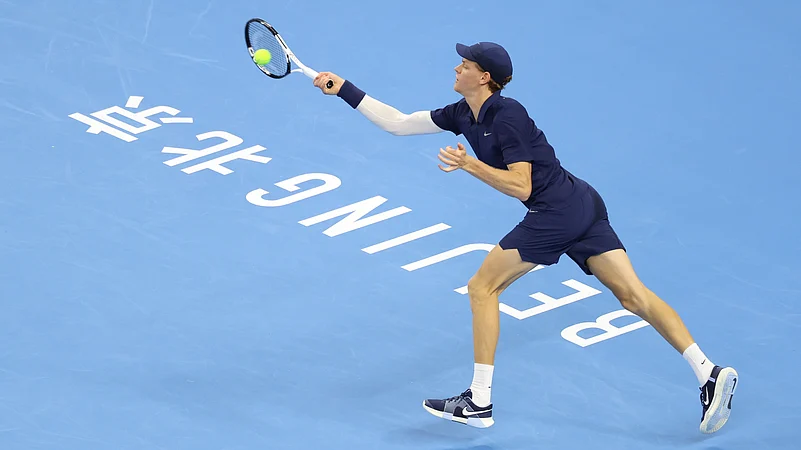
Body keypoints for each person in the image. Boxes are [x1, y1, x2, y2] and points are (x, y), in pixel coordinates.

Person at [311, 41, 738, 434]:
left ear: (484, 78)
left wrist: (470, 166)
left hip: (556, 212)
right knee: (633, 296)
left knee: (482, 287)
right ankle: (709, 372)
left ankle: (478, 401)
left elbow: (521, 186)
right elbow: (401, 124)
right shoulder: (462, 112)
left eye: (466, 64)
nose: (457, 67)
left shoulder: (507, 115)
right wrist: (345, 89)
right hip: (581, 202)